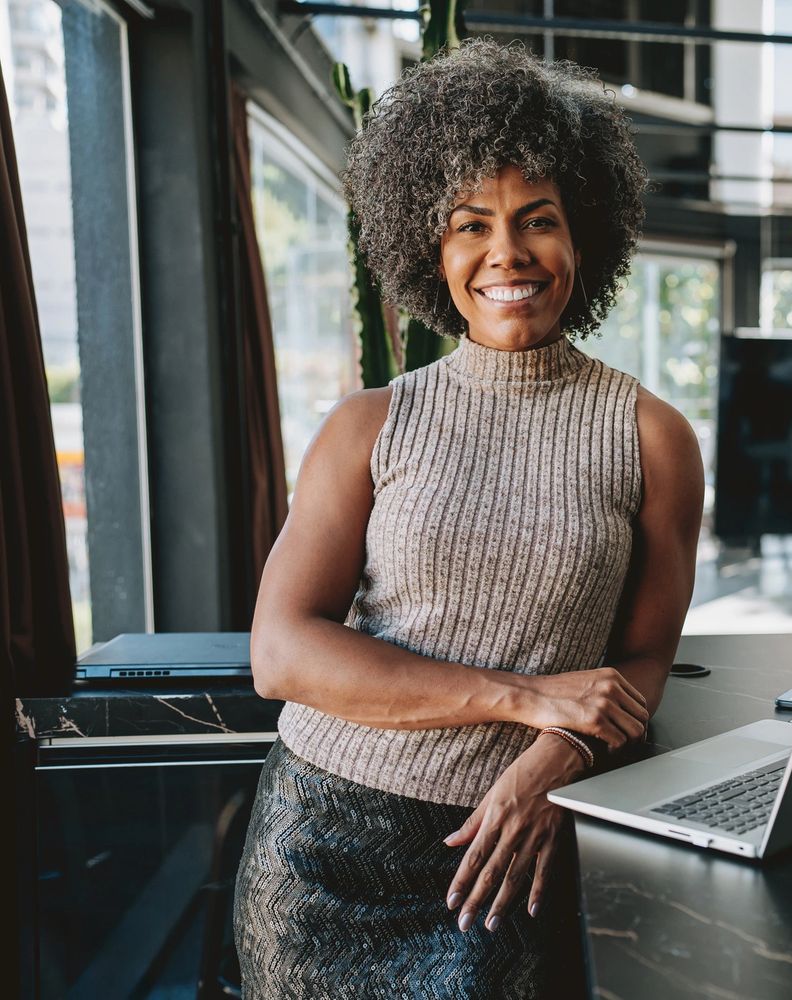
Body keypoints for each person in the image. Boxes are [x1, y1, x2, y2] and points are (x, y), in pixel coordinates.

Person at [232, 39, 704, 998]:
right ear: (430, 248)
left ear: (585, 236)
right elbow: (280, 654)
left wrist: (559, 759)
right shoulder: (370, 425)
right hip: (319, 846)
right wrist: (526, 700)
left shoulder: (652, 437)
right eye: (469, 226)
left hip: (510, 845)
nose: (507, 255)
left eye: (538, 220)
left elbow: (645, 656)